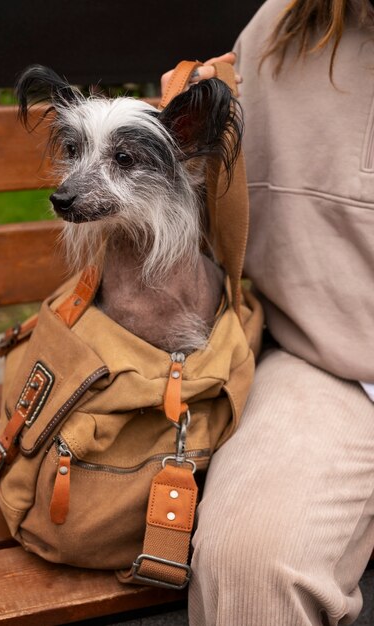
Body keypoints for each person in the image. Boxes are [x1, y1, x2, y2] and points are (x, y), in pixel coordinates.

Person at [162, 1, 374, 624]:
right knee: (250, 564)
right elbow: (206, 218)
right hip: (329, 365)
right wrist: (182, 143)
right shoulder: (286, 25)